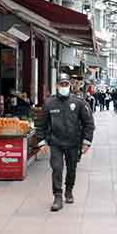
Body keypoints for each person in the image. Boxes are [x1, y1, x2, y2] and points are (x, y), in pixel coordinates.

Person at [38, 73, 95, 212]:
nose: (63, 87)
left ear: (69, 86)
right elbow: (41, 124)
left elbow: (89, 123)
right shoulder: (49, 103)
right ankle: (57, 196)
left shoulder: (79, 102)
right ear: (57, 86)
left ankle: (68, 191)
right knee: (57, 168)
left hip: (73, 143)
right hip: (56, 142)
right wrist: (41, 142)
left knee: (71, 169)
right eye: (61, 84)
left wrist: (86, 142)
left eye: (66, 84)